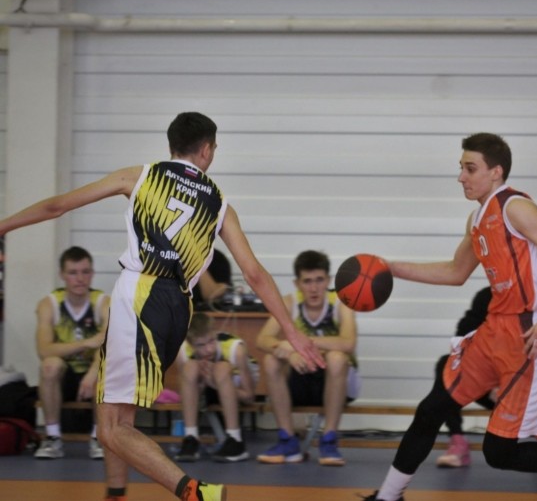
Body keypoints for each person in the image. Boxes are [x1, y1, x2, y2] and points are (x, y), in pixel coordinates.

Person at [0, 111, 324, 501]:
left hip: (140, 294)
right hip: (178, 308)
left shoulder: (139, 176)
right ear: (207, 150)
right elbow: (254, 273)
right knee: (115, 408)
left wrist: (3, 226)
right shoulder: (220, 203)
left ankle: (194, 492)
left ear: (172, 145)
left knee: (112, 427)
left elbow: (57, 207)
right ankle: (116, 493)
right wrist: (292, 331)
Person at [363, 132, 537, 501]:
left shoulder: (515, 207)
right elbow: (455, 272)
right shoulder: (477, 218)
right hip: (494, 330)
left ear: (495, 172)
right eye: (461, 168)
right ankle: (388, 496)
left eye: (470, 168)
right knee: (431, 409)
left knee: (499, 452)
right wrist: (390, 268)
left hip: (528, 337)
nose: (461, 177)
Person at [256, 250, 359, 466]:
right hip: (302, 379)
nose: (314, 288)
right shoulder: (289, 302)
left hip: (338, 382)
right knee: (272, 360)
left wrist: (299, 344)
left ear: (328, 280)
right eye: (307, 281)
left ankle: (329, 440)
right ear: (297, 283)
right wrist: (286, 350)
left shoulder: (341, 303)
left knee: (337, 357)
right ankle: (287, 440)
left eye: (319, 280)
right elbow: (262, 339)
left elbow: (348, 343)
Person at [33, 246, 109, 460]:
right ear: (62, 275)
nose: (80, 279)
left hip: (93, 376)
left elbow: (109, 345)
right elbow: (44, 349)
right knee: (50, 364)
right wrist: (87, 343)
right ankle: (52, 437)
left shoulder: (103, 303)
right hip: (64, 377)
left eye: (85, 272)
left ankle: (98, 438)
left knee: (105, 367)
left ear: (92, 274)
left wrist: (92, 375)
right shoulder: (49, 304)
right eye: (73, 273)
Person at [174, 312, 257, 463]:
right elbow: (188, 395)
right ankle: (191, 437)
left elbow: (249, 397)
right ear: (191, 345)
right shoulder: (183, 352)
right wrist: (202, 382)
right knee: (190, 367)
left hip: (236, 388)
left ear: (215, 333)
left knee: (221, 369)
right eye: (201, 345)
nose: (209, 350)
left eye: (212, 341)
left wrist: (215, 384)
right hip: (205, 390)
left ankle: (235, 439)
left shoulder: (235, 349)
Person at [434, 286, 493, 468]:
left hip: (524, 386)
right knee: (446, 365)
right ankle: (458, 440)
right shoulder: (487, 296)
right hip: (490, 385)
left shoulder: (535, 298)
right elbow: (463, 335)